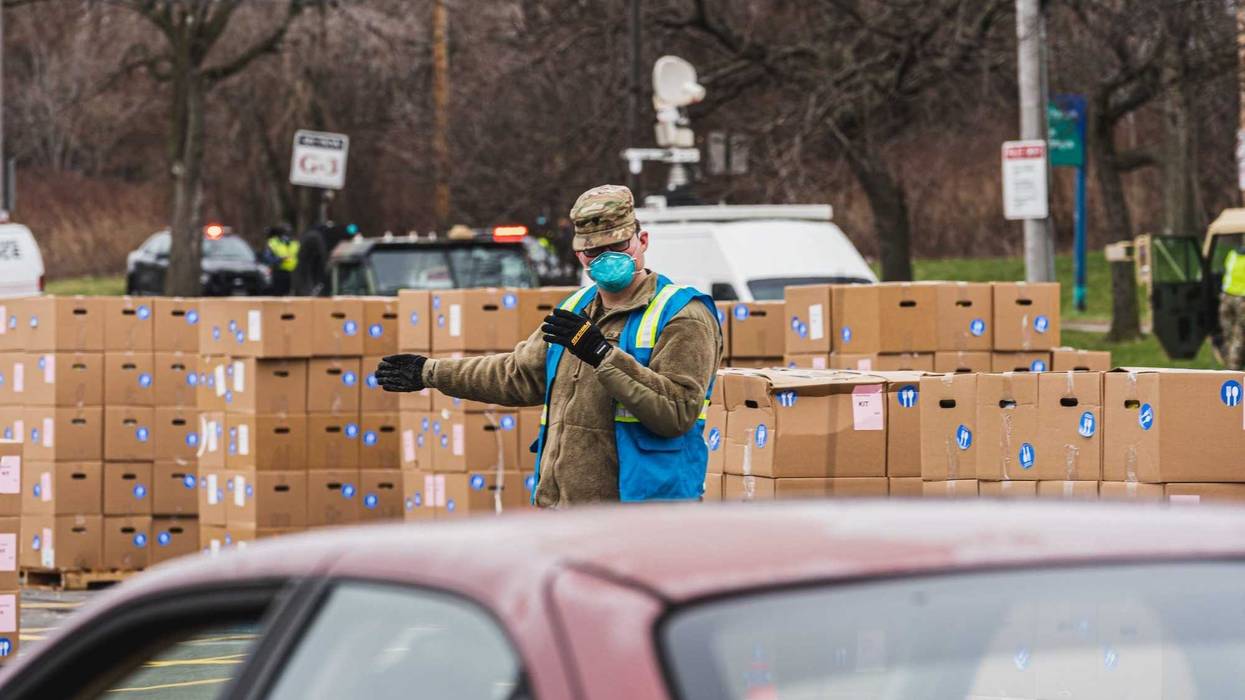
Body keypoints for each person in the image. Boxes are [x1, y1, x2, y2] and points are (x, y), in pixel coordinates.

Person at [376, 185, 723, 507]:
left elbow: (677, 412)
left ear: (642, 240)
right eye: (592, 252)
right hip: (566, 511)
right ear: (580, 255)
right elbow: (516, 375)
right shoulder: (575, 308)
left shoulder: (681, 315)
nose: (604, 260)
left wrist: (602, 355)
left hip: (642, 516)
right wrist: (429, 371)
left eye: (616, 247)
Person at [1220, 241, 1245, 369]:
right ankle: (1234, 369)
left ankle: (1228, 367)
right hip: (1242, 300)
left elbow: (1223, 271)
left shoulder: (1232, 255)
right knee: (1239, 336)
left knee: (1228, 336)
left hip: (1226, 297)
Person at [260, 224, 299, 295]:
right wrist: (279, 259)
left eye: (288, 233)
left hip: (293, 275)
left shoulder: (295, 244)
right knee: (278, 297)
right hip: (278, 273)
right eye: (285, 233)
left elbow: (300, 258)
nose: (286, 236)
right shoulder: (273, 243)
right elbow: (267, 258)